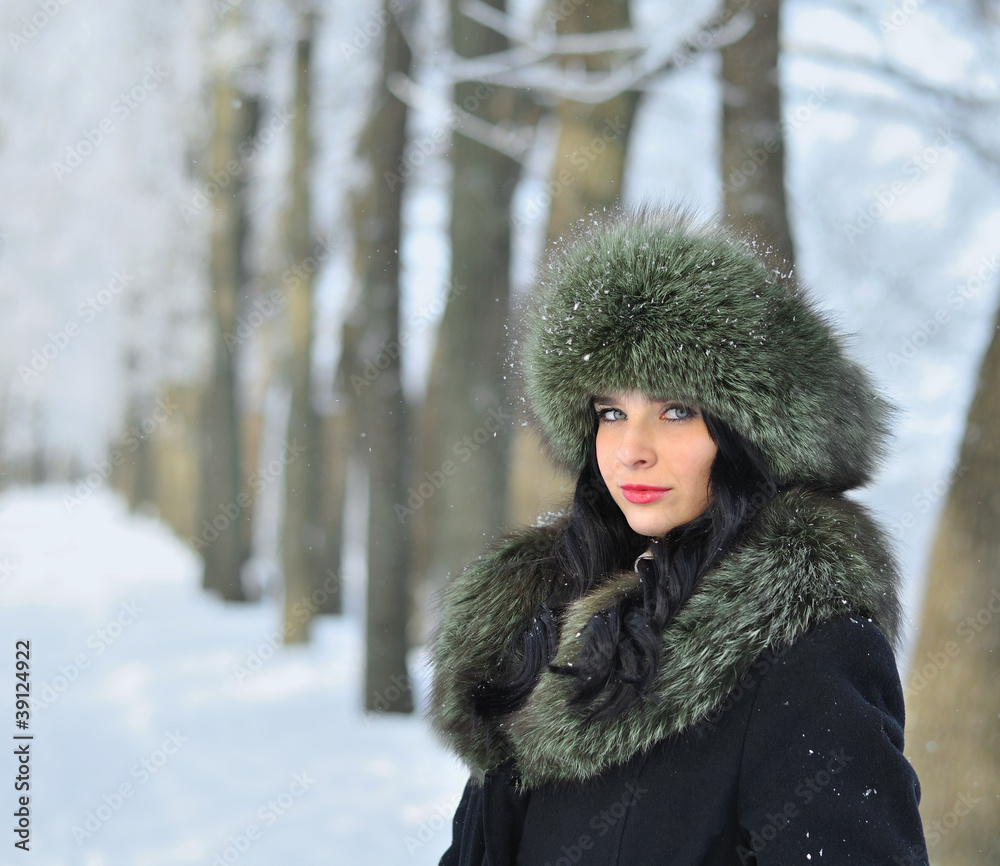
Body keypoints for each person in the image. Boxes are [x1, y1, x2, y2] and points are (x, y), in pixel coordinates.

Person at [429, 207, 929, 865]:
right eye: (611, 412)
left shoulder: (810, 655)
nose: (630, 450)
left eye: (675, 411)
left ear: (744, 436)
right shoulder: (535, 622)